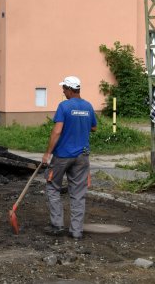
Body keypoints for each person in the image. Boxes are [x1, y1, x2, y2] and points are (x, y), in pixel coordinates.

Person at [42, 75, 98, 240]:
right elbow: (94, 127)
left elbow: (57, 130)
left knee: (53, 187)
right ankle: (76, 231)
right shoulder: (88, 106)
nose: (63, 92)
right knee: (78, 193)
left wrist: (47, 153)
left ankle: (57, 225)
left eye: (64, 89)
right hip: (82, 156)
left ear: (70, 89)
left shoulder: (64, 106)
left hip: (62, 156)